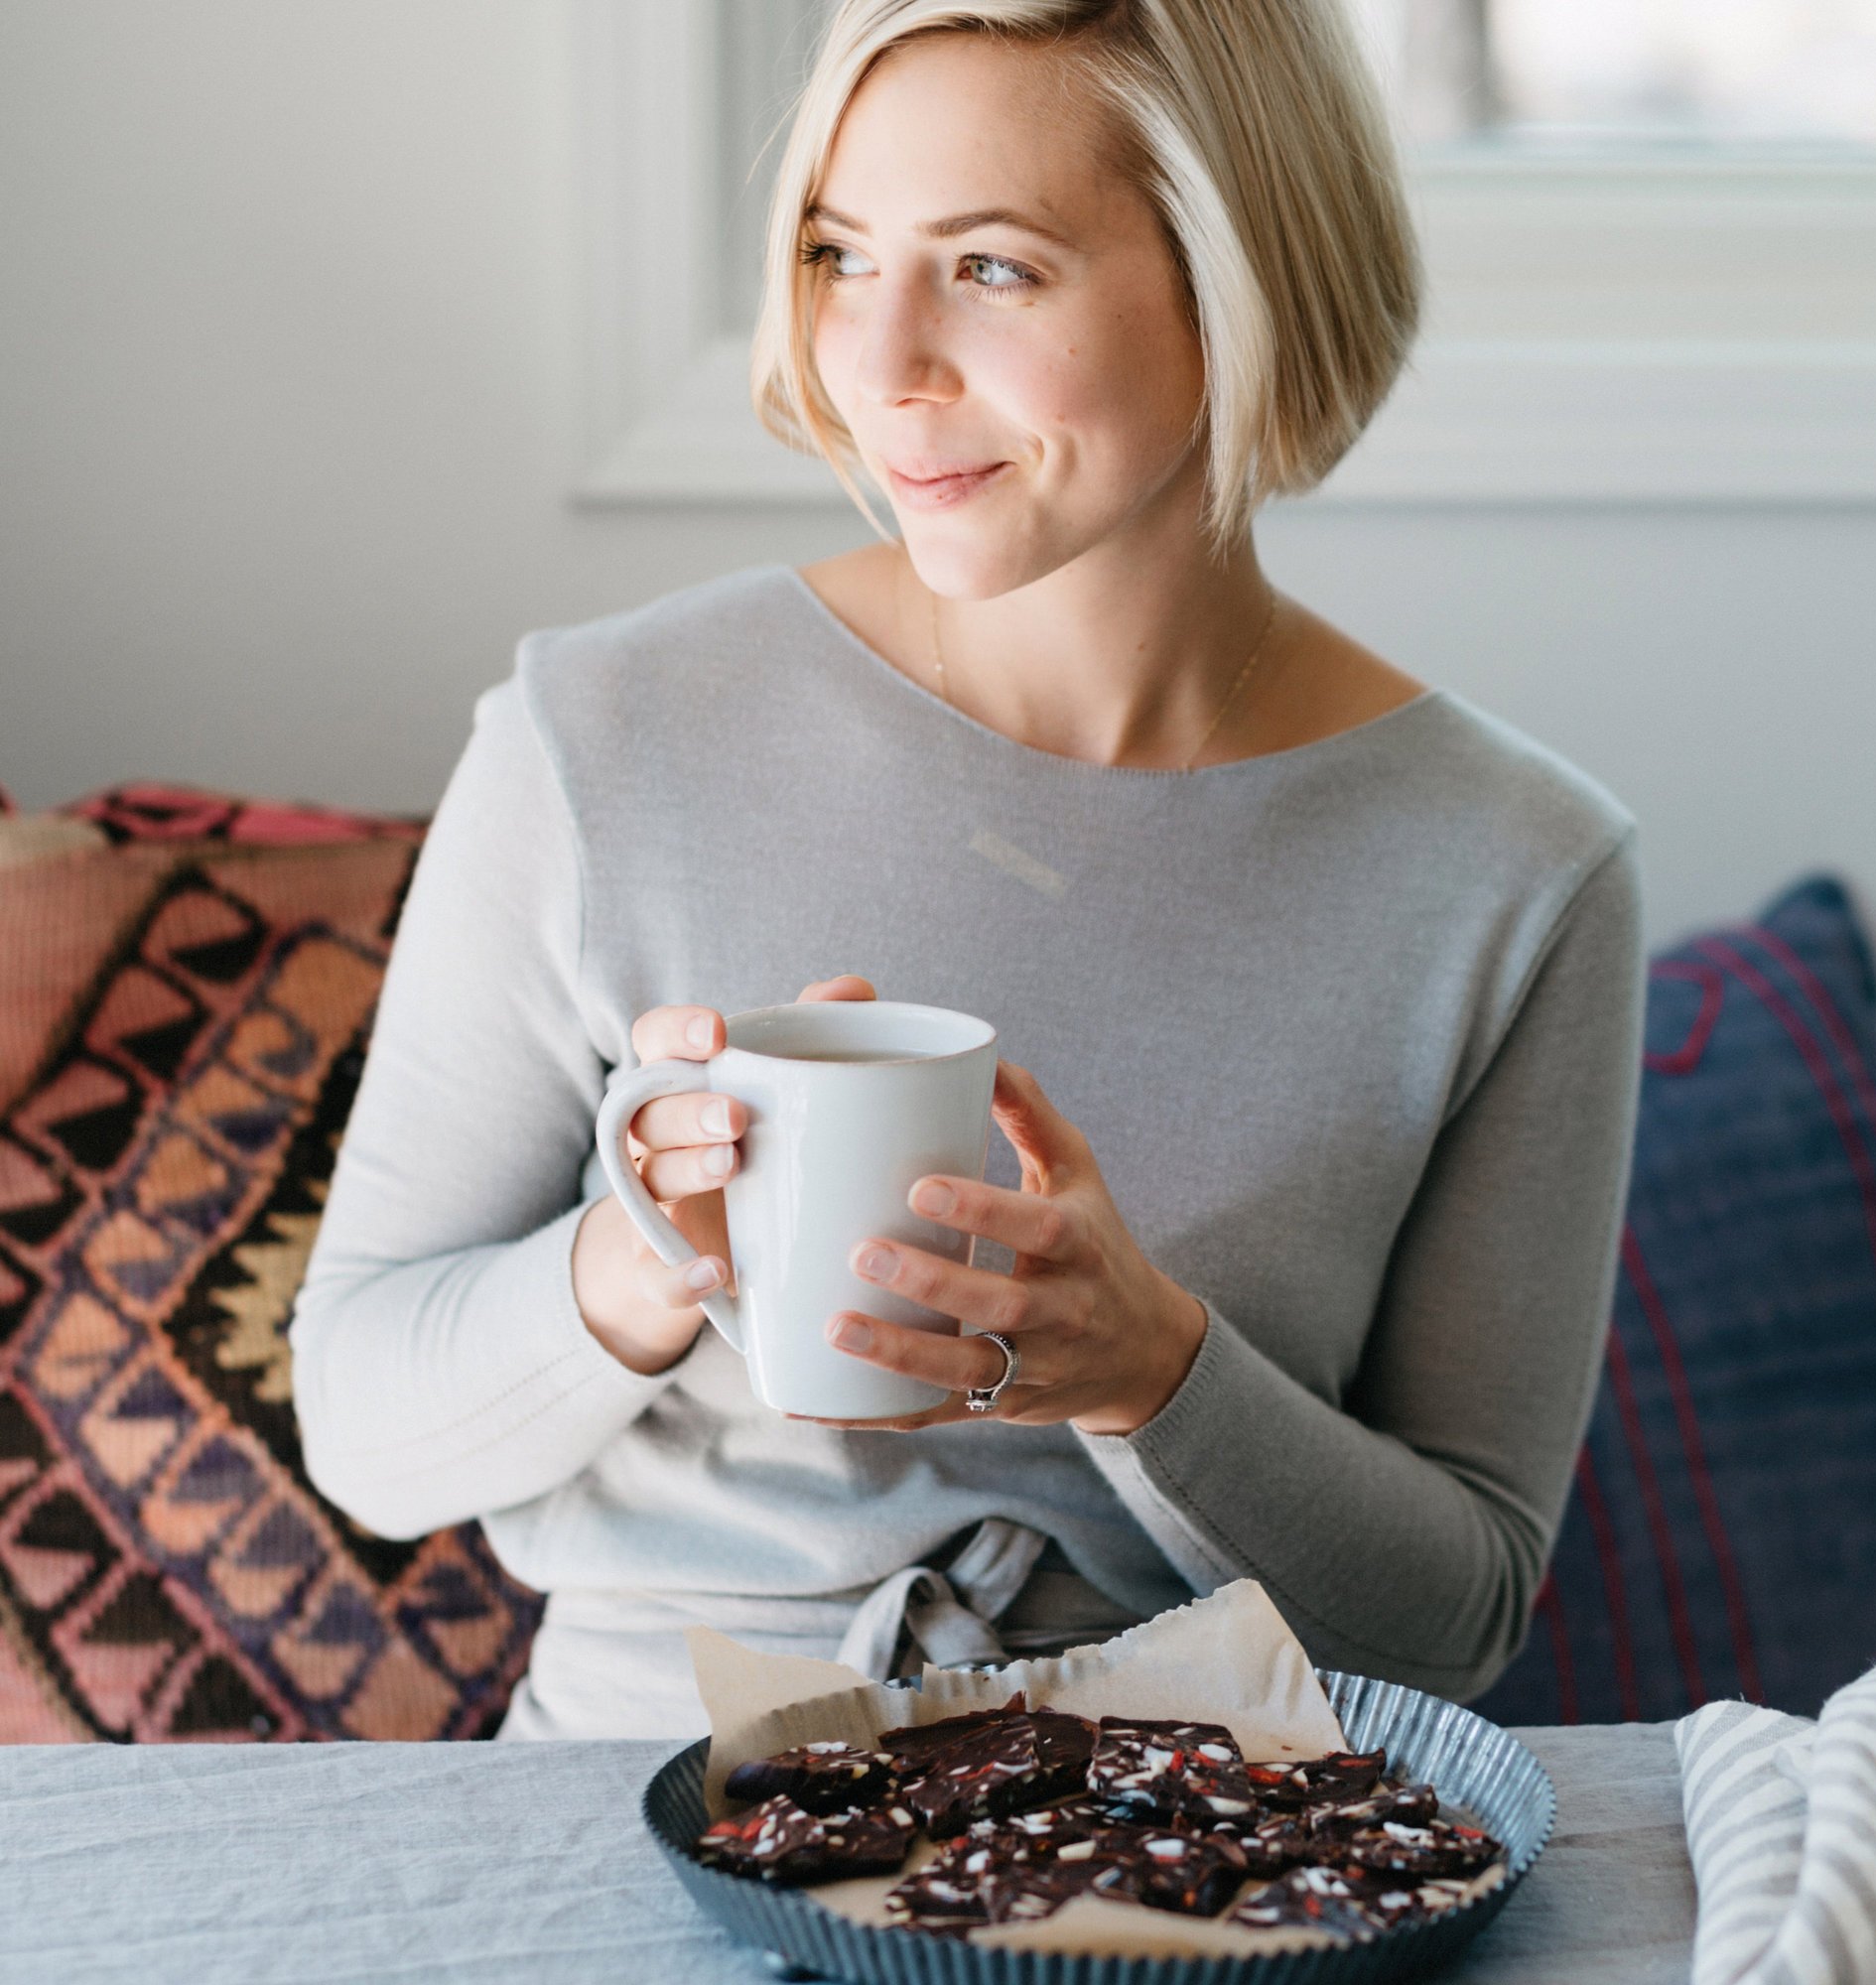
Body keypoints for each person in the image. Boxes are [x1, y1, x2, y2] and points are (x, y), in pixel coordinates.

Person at [292, 0, 1646, 1740]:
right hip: (640, 1807)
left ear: (1241, 279)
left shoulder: (1517, 873)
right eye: (841, 254)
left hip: (1188, 1840)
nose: (884, 363)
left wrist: (1152, 1372)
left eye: (993, 270)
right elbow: (365, 1429)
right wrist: (642, 1264)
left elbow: (1461, 1621)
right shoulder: (596, 734)